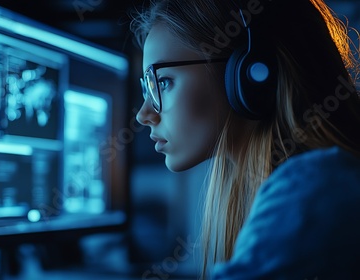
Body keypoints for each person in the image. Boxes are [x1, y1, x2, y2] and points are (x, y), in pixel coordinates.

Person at [131, 0, 360, 278]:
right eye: (147, 86)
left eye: (162, 82)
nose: (143, 115)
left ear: (249, 74)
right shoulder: (297, 185)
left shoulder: (314, 186)